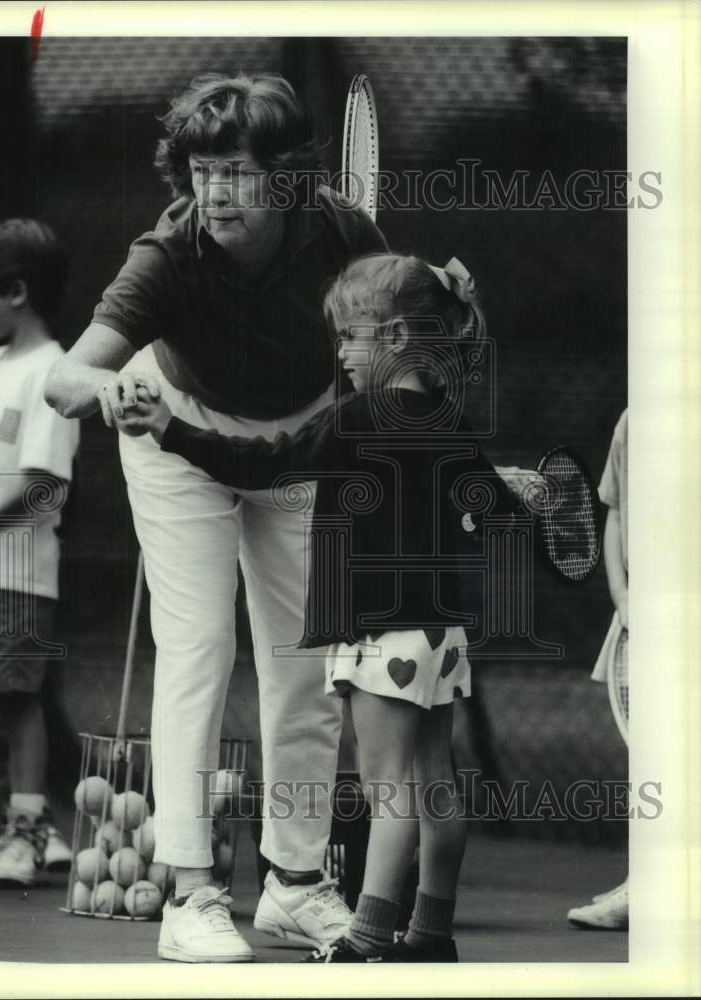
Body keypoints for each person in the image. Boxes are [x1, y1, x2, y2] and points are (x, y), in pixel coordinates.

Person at [44, 73, 388, 962]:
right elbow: (64, 376)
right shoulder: (166, 254)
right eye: (200, 171)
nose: (215, 191)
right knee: (198, 646)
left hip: (298, 446)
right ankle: (190, 893)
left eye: (235, 170)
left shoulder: (344, 232)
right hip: (174, 437)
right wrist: (108, 386)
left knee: (304, 661)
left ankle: (295, 884)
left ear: (284, 177)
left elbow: (390, 333)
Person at [118, 252, 517, 962]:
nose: (338, 353)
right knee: (435, 787)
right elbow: (488, 509)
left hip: (380, 639)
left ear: (395, 337)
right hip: (443, 638)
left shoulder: (355, 419)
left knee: (386, 788)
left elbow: (265, 463)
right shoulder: (452, 421)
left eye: (348, 337)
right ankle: (431, 932)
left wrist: (170, 431)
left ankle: (365, 938)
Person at [0, 219, 80, 885]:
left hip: (18, 577)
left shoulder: (54, 372)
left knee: (15, 697)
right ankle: (33, 823)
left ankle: (23, 834)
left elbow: (43, 480)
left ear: (16, 291)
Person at [567, 408, 628, 930]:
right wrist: (623, 596)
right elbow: (614, 515)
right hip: (636, 618)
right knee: (648, 762)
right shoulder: (631, 424)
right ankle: (645, 881)